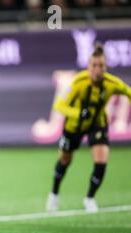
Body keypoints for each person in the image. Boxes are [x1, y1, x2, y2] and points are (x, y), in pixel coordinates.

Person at [46, 43, 131, 213]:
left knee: (101, 161)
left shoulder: (112, 83)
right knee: (65, 160)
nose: (97, 69)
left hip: (96, 124)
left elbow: (128, 92)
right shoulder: (79, 82)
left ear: (105, 67)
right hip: (73, 126)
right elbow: (59, 105)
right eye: (94, 65)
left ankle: (90, 198)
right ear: (88, 66)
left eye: (101, 66)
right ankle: (54, 193)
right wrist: (78, 113)